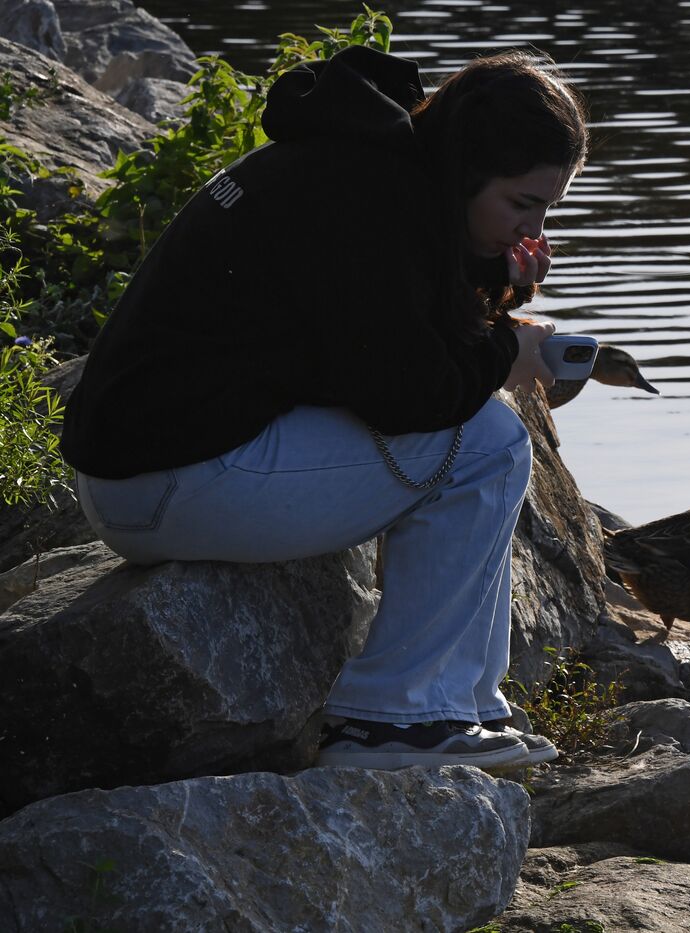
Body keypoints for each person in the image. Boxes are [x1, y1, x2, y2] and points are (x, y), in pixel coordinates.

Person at [58, 45, 589, 772]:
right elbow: (407, 395)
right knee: (488, 440)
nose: (531, 233)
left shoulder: (368, 164)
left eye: (545, 211)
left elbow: (368, 317)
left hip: (147, 471)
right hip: (162, 485)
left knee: (481, 426)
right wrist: (506, 352)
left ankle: (460, 702)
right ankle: (396, 720)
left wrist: (488, 272)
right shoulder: (366, 194)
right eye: (521, 205)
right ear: (466, 170)